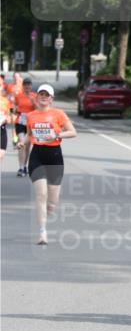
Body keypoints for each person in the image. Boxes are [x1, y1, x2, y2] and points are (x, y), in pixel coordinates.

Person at [25, 83, 77, 245]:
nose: (43, 97)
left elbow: (73, 132)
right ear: (37, 97)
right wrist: (22, 143)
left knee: (52, 202)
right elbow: (29, 136)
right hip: (37, 157)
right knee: (41, 195)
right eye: (41, 94)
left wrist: (56, 135)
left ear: (51, 99)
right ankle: (42, 232)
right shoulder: (31, 115)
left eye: (47, 95)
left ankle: (48, 213)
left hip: (54, 157)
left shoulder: (59, 114)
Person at [14, 76, 37, 176]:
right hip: (20, 122)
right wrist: (16, 110)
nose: (27, 86)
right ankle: (20, 168)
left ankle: (25, 166)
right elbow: (14, 107)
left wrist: (33, 102)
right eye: (25, 85)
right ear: (23, 86)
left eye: (29, 85)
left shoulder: (35, 96)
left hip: (30, 123)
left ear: (31, 86)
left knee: (27, 147)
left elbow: (38, 109)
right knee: (22, 144)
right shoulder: (18, 96)